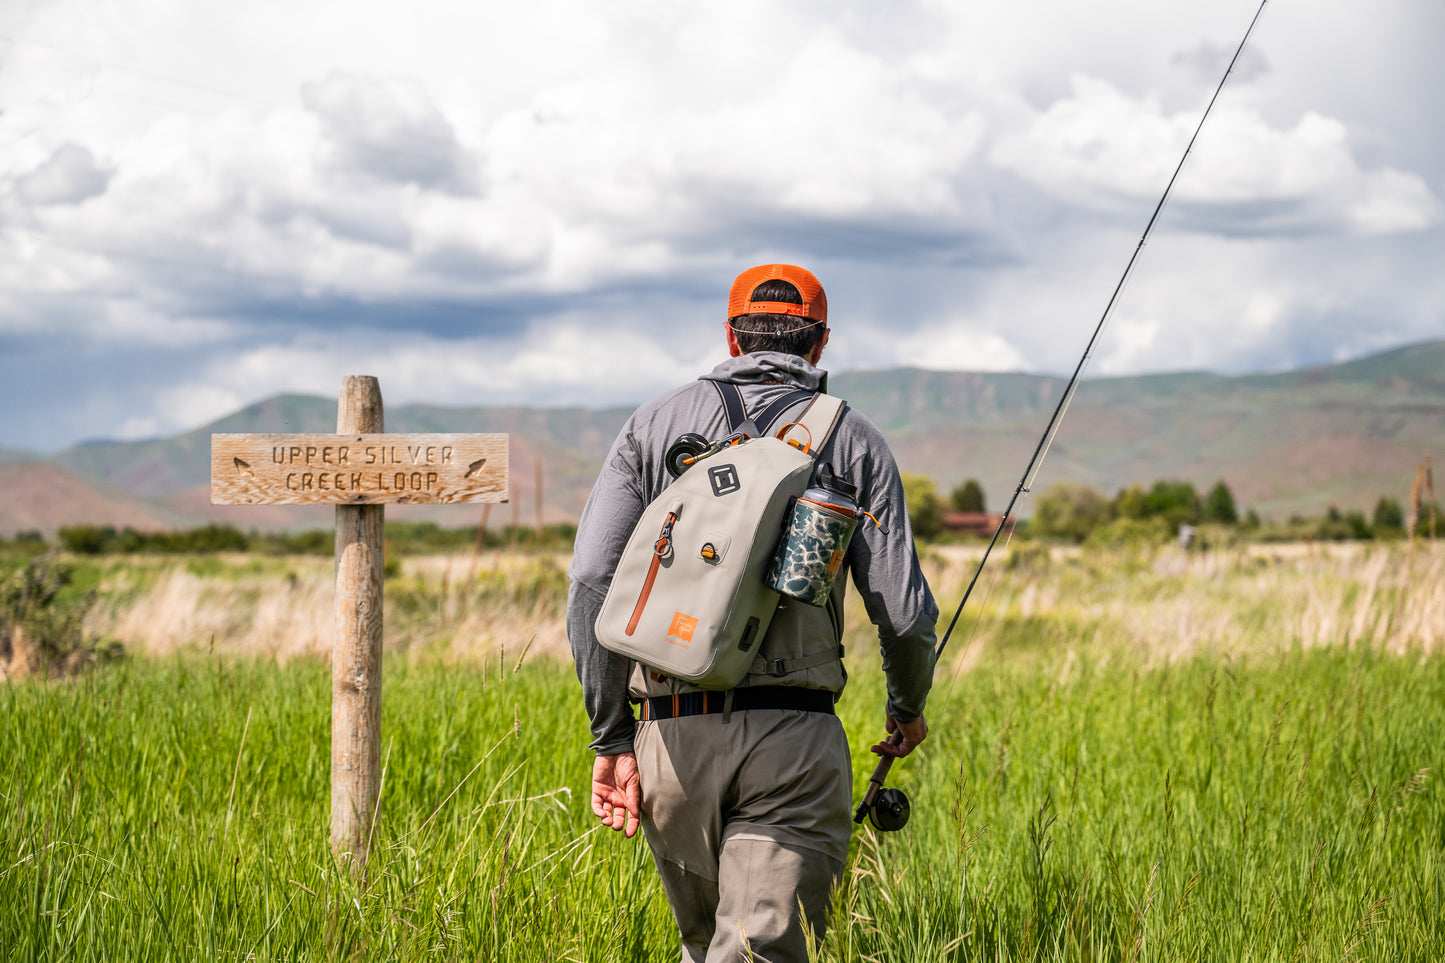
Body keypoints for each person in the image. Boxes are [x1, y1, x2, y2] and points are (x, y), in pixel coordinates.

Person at [568, 263, 938, 962]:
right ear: (820, 344)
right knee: (757, 952)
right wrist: (906, 703)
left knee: (704, 945)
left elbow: (591, 577)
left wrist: (612, 737)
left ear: (732, 338)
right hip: (792, 741)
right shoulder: (852, 439)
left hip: (669, 739)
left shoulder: (652, 425)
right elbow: (902, 611)